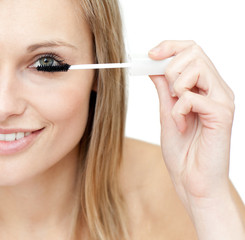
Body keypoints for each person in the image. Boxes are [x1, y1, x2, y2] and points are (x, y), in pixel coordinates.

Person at [0, 0, 244, 239]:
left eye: (46, 63)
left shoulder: (175, 198)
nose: (3, 107)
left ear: (98, 71)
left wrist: (209, 205)